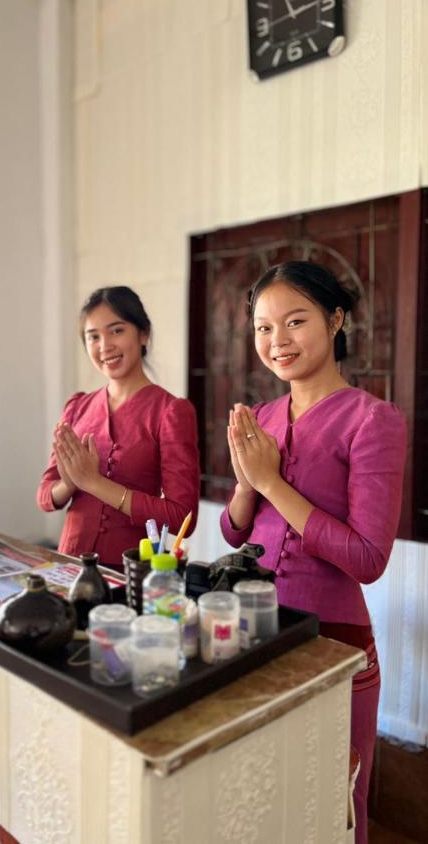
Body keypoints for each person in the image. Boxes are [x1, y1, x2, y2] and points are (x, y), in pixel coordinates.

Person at [221, 261, 406, 844]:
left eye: (295, 321)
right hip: (258, 634)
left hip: (334, 645)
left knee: (330, 805)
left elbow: (368, 559)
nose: (278, 342)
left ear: (335, 320)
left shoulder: (373, 420)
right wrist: (247, 484)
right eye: (263, 328)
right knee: (262, 797)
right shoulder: (265, 417)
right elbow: (234, 534)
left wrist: (273, 482)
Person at [37, 286, 200, 569]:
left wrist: (94, 483)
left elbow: (181, 517)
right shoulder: (77, 407)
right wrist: (70, 483)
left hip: (129, 572)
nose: (104, 346)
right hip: (68, 565)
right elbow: (45, 496)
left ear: (143, 334)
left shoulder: (171, 411)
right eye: (93, 337)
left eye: (116, 331)